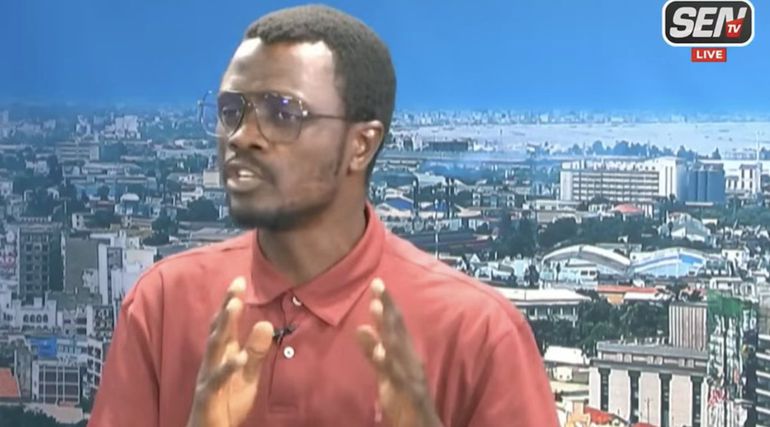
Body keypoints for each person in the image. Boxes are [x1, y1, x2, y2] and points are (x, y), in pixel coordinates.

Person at [89, 4, 558, 427]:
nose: (241, 136)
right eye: (231, 109)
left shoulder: (477, 332)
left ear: (361, 145)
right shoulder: (164, 304)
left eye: (282, 112)